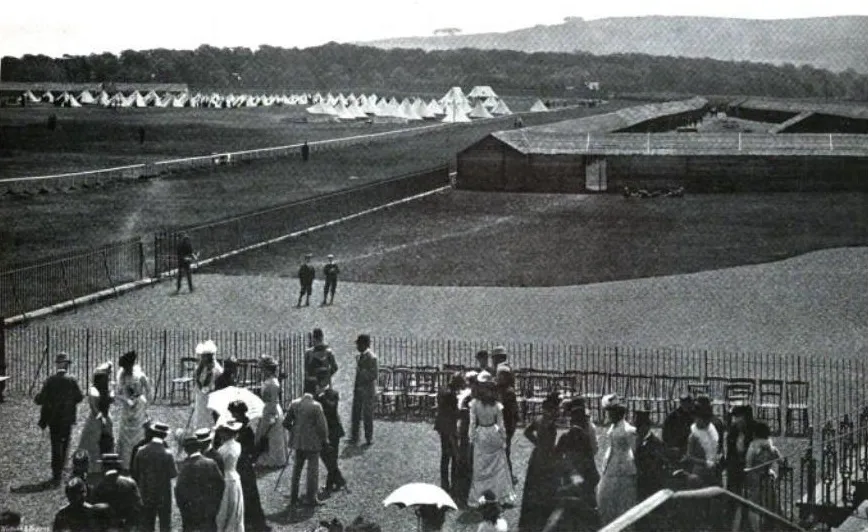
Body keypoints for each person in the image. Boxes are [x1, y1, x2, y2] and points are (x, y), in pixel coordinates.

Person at [467, 372, 517, 508]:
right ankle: (498, 494)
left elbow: (472, 423)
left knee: (481, 466)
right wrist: (503, 438)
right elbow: (501, 425)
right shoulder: (496, 405)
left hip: (481, 433)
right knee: (497, 466)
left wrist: (471, 438)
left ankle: (481, 495)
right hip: (493, 433)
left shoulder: (475, 404)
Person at [35, 352, 84, 487]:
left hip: (53, 418)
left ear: (57, 365)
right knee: (65, 444)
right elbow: (79, 397)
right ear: (66, 365)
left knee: (55, 444)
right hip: (67, 418)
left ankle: (56, 473)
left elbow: (41, 399)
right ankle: (62, 469)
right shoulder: (72, 380)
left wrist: (38, 398)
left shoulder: (50, 380)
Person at [553, 398, 600, 532]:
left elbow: (556, 457)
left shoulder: (565, 437)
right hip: (583, 478)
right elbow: (590, 460)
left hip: (569, 478)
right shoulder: (584, 437)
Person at [518, 392, 562, 531]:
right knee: (546, 486)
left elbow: (527, 432)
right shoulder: (550, 423)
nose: (559, 411)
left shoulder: (539, 419)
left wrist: (537, 443)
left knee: (534, 486)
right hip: (547, 457)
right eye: (557, 408)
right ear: (552, 408)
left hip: (537, 456)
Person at [285, 377, 329, 507]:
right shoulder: (316, 406)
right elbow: (322, 427)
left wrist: (295, 430)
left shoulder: (294, 403)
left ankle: (293, 498)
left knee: (296, 470)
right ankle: (311, 498)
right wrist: (324, 439)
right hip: (312, 443)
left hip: (298, 442)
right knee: (312, 471)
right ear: (314, 388)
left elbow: (286, 422)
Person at [227, 401, 270, 531]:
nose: (233, 416)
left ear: (240, 413)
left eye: (234, 413)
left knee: (248, 494)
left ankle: (251, 522)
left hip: (243, 466)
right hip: (240, 465)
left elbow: (251, 451)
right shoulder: (237, 427)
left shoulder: (246, 430)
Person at [596, 394, 637, 527]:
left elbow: (634, 449)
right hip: (611, 465)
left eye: (611, 412)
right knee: (605, 498)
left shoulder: (628, 430)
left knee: (623, 503)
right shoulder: (613, 427)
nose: (609, 415)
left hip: (624, 468)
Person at [131, 421, 177, 532]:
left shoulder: (141, 451)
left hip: (146, 493)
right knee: (165, 525)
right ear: (164, 436)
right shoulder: (168, 453)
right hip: (163, 494)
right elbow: (173, 474)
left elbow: (135, 471)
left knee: (147, 525)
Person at [175, 435, 225, 532]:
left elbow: (179, 490)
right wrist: (216, 504)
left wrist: (183, 509)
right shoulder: (211, 463)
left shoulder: (185, 466)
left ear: (186, 450)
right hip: (209, 509)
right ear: (199, 447)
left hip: (190, 511)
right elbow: (221, 484)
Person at [741, 422, 782, 532]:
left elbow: (748, 465)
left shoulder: (753, 447)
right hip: (768, 478)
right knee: (770, 504)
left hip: (755, 479)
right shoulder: (771, 448)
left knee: (754, 506)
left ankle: (756, 529)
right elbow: (782, 462)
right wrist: (777, 475)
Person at [76, 362, 115, 473]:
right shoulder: (94, 390)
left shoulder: (107, 388)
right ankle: (93, 467)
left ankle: (105, 466)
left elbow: (111, 399)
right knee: (93, 444)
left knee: (106, 442)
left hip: (104, 417)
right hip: (97, 419)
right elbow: (94, 408)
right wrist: (102, 419)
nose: (107, 379)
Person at [116, 351, 151, 471]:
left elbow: (148, 389)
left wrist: (146, 404)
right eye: (125, 367)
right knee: (126, 433)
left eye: (128, 366)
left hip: (139, 406)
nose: (127, 369)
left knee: (139, 431)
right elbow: (118, 393)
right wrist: (126, 400)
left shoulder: (140, 375)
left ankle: (139, 460)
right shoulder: (122, 376)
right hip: (127, 406)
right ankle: (126, 462)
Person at [91, 453, 143, 531]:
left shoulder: (99, 486)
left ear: (104, 467)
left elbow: (94, 509)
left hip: (107, 527)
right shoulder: (130, 482)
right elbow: (138, 506)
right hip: (126, 527)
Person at [316, 368, 347, 493]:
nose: (320, 382)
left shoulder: (333, 393)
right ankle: (339, 481)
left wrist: (321, 397)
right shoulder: (316, 395)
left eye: (322, 380)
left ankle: (331, 485)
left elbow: (331, 408)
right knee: (326, 457)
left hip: (333, 430)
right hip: (323, 430)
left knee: (332, 458)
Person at [255, 355, 289, 468]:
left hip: (272, 408)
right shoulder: (268, 381)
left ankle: (275, 459)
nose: (261, 371)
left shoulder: (273, 383)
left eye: (263, 369)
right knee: (267, 434)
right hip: (267, 407)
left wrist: (271, 414)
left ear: (268, 369)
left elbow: (273, 401)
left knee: (273, 434)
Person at [434, 372, 463, 495]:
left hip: (441, 425)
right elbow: (453, 413)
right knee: (455, 456)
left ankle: (444, 483)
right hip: (449, 427)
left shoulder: (443, 389)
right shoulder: (451, 395)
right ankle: (454, 484)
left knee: (445, 456)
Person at [214, 420, 245, 532]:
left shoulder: (222, 449)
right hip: (235, 477)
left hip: (226, 478)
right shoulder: (238, 445)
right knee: (235, 506)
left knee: (225, 507)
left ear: (227, 433)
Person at [453, 371, 477, 507]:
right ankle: (462, 495)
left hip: (471, 433)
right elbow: (461, 414)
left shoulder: (473, 397)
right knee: (465, 464)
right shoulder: (468, 398)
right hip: (466, 433)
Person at [349, 334, 378, 446]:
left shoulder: (372, 357)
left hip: (367, 391)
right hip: (359, 390)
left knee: (367, 415)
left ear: (364, 344)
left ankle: (368, 438)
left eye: (359, 344)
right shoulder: (360, 356)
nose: (357, 346)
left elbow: (373, 375)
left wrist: (362, 372)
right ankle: (354, 436)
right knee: (355, 414)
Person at [192, 340, 223, 432]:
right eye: (202, 356)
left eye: (204, 356)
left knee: (209, 419)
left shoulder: (216, 369)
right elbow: (198, 382)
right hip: (201, 397)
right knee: (200, 418)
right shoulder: (200, 368)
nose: (202, 358)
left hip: (212, 397)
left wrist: (210, 389)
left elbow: (218, 384)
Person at [495, 367, 519, 484]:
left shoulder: (509, 392)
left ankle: (508, 476)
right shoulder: (499, 389)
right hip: (499, 424)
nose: (498, 378)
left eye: (501, 375)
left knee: (504, 452)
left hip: (505, 425)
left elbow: (511, 412)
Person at [662, 393, 694, 460]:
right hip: (676, 448)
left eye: (688, 403)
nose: (686, 405)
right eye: (684, 403)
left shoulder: (694, 416)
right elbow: (666, 435)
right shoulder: (672, 417)